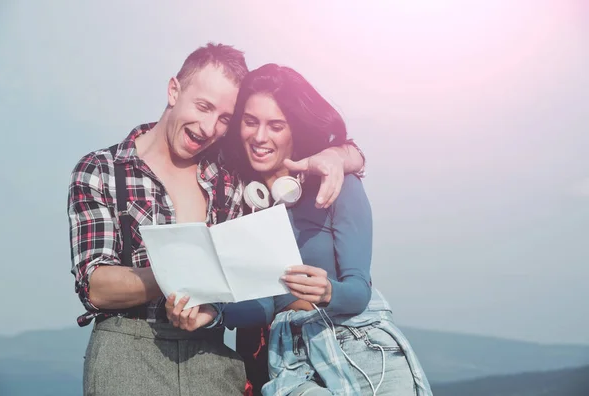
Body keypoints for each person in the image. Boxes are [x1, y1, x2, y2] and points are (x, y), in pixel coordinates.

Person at [67, 43, 366, 396]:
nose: (209, 127)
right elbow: (96, 286)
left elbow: (260, 287)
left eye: (225, 118)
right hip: (127, 354)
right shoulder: (100, 170)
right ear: (173, 89)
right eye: (203, 107)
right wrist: (188, 272)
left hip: (214, 358)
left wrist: (340, 155)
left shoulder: (234, 173)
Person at [221, 64, 433, 395]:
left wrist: (327, 292)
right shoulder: (237, 198)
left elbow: (359, 291)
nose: (260, 137)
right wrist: (210, 311)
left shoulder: (338, 184)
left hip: (359, 342)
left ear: (296, 129)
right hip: (288, 359)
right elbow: (264, 304)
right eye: (251, 122)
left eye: (276, 125)